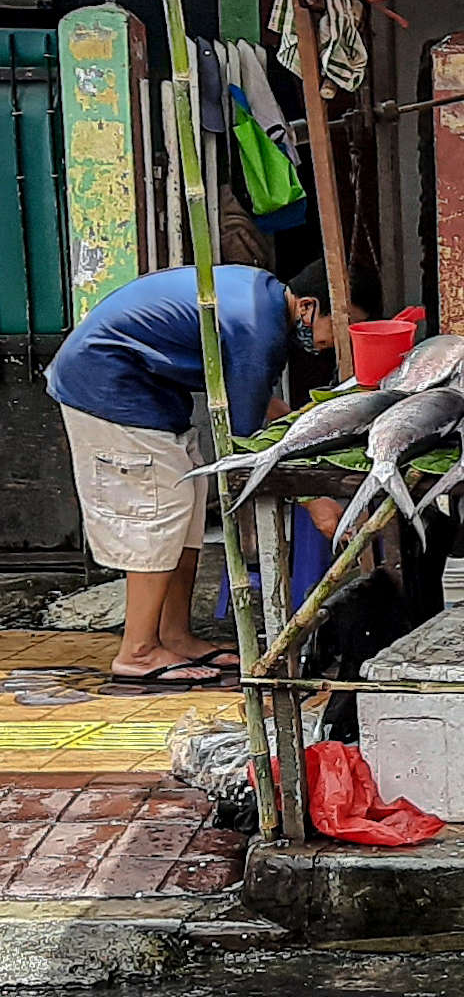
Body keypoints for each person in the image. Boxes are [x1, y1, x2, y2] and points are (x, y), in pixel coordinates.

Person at [45, 262, 335, 687]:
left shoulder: (263, 299)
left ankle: (174, 635)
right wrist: (317, 502)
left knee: (187, 508)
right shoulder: (259, 327)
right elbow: (247, 434)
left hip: (148, 395)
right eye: (338, 327)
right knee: (157, 515)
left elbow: (255, 403)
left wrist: (309, 424)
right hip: (108, 390)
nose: (332, 343)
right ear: (309, 307)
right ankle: (138, 651)